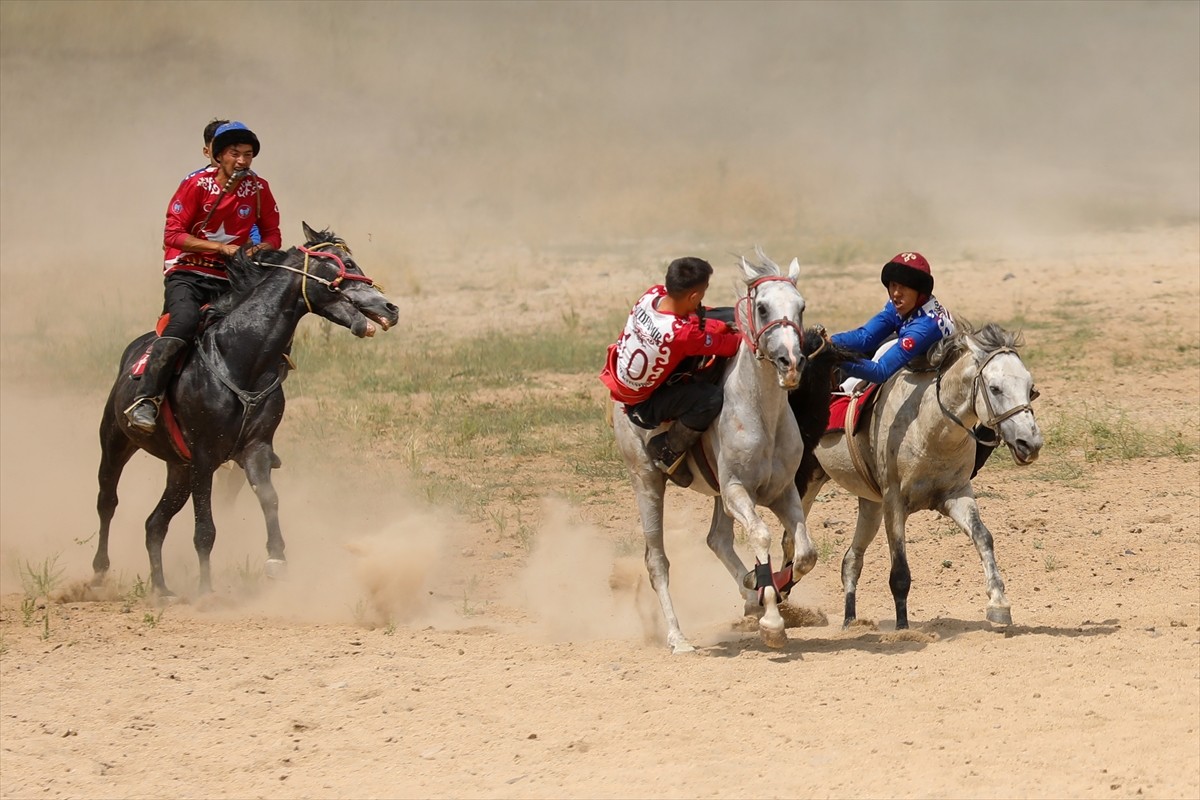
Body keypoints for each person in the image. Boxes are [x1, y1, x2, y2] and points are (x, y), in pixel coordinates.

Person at [124, 121, 282, 433]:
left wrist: (259, 249)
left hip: (233, 277)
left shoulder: (260, 189)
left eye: (248, 155)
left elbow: (273, 233)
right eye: (234, 153)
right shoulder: (196, 184)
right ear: (218, 155)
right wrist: (220, 249)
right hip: (188, 274)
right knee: (183, 323)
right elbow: (173, 234)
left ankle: (255, 422)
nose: (241, 161)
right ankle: (146, 399)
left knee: (262, 329)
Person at [831, 251, 994, 476]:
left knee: (882, 351)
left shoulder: (925, 326)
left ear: (920, 292)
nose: (896, 293)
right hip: (921, 356)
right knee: (873, 347)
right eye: (893, 285)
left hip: (950, 378)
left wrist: (833, 357)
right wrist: (828, 342)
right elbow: (865, 337)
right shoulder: (900, 304)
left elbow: (880, 372)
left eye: (904, 287)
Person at [600, 257, 741, 487]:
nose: (702, 298)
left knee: (719, 316)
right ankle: (668, 450)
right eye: (703, 293)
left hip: (622, 373)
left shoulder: (651, 295)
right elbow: (730, 345)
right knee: (711, 398)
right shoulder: (682, 335)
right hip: (643, 405)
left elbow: (694, 325)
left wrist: (722, 322)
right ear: (694, 296)